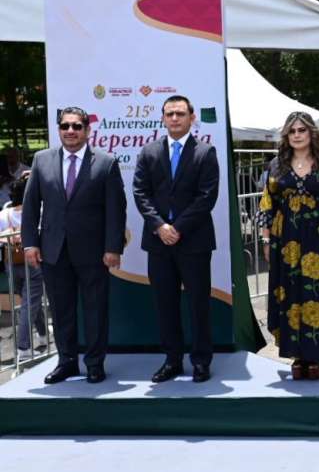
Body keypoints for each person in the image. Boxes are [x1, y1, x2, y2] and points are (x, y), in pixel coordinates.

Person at [23, 107, 126, 384]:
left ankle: (94, 363)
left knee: (95, 309)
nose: (71, 131)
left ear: (87, 130)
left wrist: (113, 247)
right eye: (65, 126)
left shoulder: (106, 162)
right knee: (61, 310)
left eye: (77, 126)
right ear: (59, 129)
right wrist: (30, 243)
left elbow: (116, 210)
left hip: (94, 253)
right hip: (53, 251)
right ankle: (67, 362)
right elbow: (31, 206)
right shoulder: (41, 160)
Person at [132, 95, 221, 383]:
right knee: (165, 304)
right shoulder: (148, 152)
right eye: (169, 113)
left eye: (180, 113)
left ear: (192, 117)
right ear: (162, 118)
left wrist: (178, 227)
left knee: (198, 304)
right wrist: (160, 226)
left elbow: (207, 196)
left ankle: (201, 361)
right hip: (158, 243)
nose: (174, 118)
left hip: (194, 241)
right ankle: (172, 361)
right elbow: (140, 193)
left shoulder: (205, 152)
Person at [257, 111, 319, 380]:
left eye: (302, 130)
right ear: (287, 135)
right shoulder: (276, 165)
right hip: (283, 240)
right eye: (292, 131)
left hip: (317, 239)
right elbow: (267, 203)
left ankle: (314, 355)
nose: (297, 135)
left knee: (315, 294)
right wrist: (266, 238)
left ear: (311, 133)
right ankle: (297, 356)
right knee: (288, 293)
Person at [2, 173, 47, 360]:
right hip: (34, 263)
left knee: (29, 301)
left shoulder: (4, 214)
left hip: (11, 264)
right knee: (30, 304)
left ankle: (43, 334)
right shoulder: (38, 211)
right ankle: (23, 347)